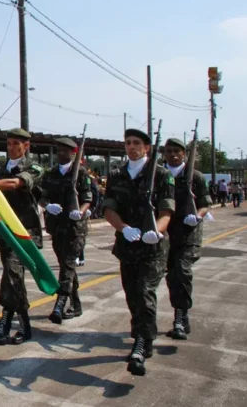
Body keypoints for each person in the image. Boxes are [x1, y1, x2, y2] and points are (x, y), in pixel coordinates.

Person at [103, 128, 175, 376]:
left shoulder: (162, 175)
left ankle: (142, 343)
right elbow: (109, 209)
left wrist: (158, 231)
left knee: (144, 292)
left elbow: (166, 212)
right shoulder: (116, 175)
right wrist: (122, 228)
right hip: (127, 246)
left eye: (136, 143)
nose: (131, 147)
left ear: (147, 148)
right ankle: (143, 334)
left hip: (152, 248)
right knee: (132, 295)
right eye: (127, 143)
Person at [0, 128, 44, 346]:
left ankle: (9, 320)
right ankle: (21, 323)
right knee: (12, 275)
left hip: (24, 231)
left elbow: (16, 183)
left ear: (26, 146)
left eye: (16, 144)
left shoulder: (35, 167)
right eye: (9, 143)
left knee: (12, 272)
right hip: (4, 231)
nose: (11, 147)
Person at [163, 138, 212, 341]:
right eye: (169, 151)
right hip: (166, 234)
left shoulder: (196, 177)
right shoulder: (160, 175)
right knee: (171, 276)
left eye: (177, 151)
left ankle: (181, 318)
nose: (173, 155)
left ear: (184, 154)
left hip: (188, 233)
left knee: (182, 271)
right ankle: (179, 314)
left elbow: (205, 203)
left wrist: (198, 216)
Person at [40, 137, 93, 324]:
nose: (61, 154)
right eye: (59, 151)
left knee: (69, 264)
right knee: (66, 267)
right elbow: (42, 197)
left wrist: (81, 212)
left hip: (75, 228)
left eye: (66, 151)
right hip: (57, 227)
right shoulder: (50, 173)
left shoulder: (81, 173)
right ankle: (76, 304)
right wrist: (47, 206)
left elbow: (88, 198)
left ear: (73, 153)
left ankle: (60, 302)